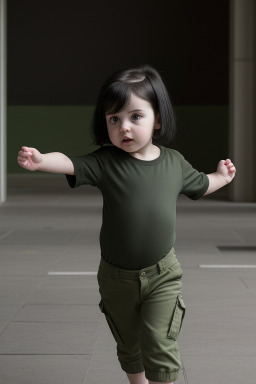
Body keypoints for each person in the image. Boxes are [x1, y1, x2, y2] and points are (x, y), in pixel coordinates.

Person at [17, 65, 236, 384]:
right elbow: (69, 162)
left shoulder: (174, 163)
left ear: (157, 119)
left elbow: (201, 184)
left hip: (163, 273)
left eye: (136, 116)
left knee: (160, 344)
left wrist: (221, 177)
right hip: (115, 276)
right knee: (129, 343)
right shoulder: (105, 162)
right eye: (114, 119)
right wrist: (41, 161)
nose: (124, 128)